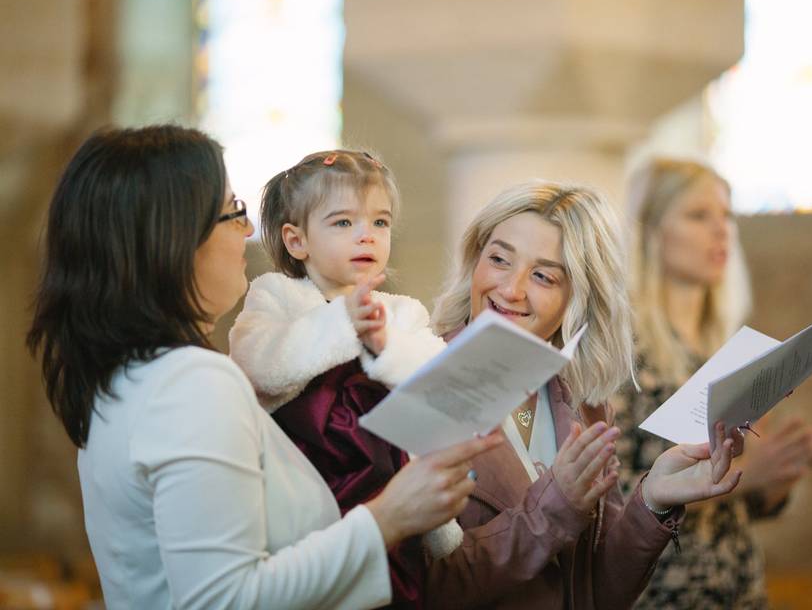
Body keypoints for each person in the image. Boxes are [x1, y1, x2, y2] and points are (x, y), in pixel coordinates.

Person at [26, 125, 501, 610]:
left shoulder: (128, 377)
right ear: (173, 239)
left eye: (380, 222)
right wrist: (389, 518)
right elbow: (222, 600)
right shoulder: (192, 384)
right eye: (233, 212)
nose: (249, 231)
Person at [426, 181, 745, 609]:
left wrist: (653, 500)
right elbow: (425, 587)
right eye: (499, 259)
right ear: (475, 261)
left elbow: (598, 593)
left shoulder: (583, 402)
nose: (510, 289)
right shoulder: (420, 384)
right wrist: (554, 507)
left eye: (543, 275)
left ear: (577, 297)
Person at [615, 157, 812, 609]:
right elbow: (603, 503)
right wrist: (741, 479)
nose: (722, 230)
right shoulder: (622, 353)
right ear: (650, 232)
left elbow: (743, 504)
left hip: (740, 589)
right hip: (664, 594)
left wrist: (801, 455)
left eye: (727, 215)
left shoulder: (724, 352)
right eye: (698, 215)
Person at [229, 149, 453, 608]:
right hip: (308, 491)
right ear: (297, 241)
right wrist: (340, 323)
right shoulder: (276, 296)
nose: (366, 236)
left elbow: (440, 383)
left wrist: (384, 344)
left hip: (388, 489)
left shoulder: (402, 311)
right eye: (344, 223)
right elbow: (257, 364)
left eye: (380, 223)